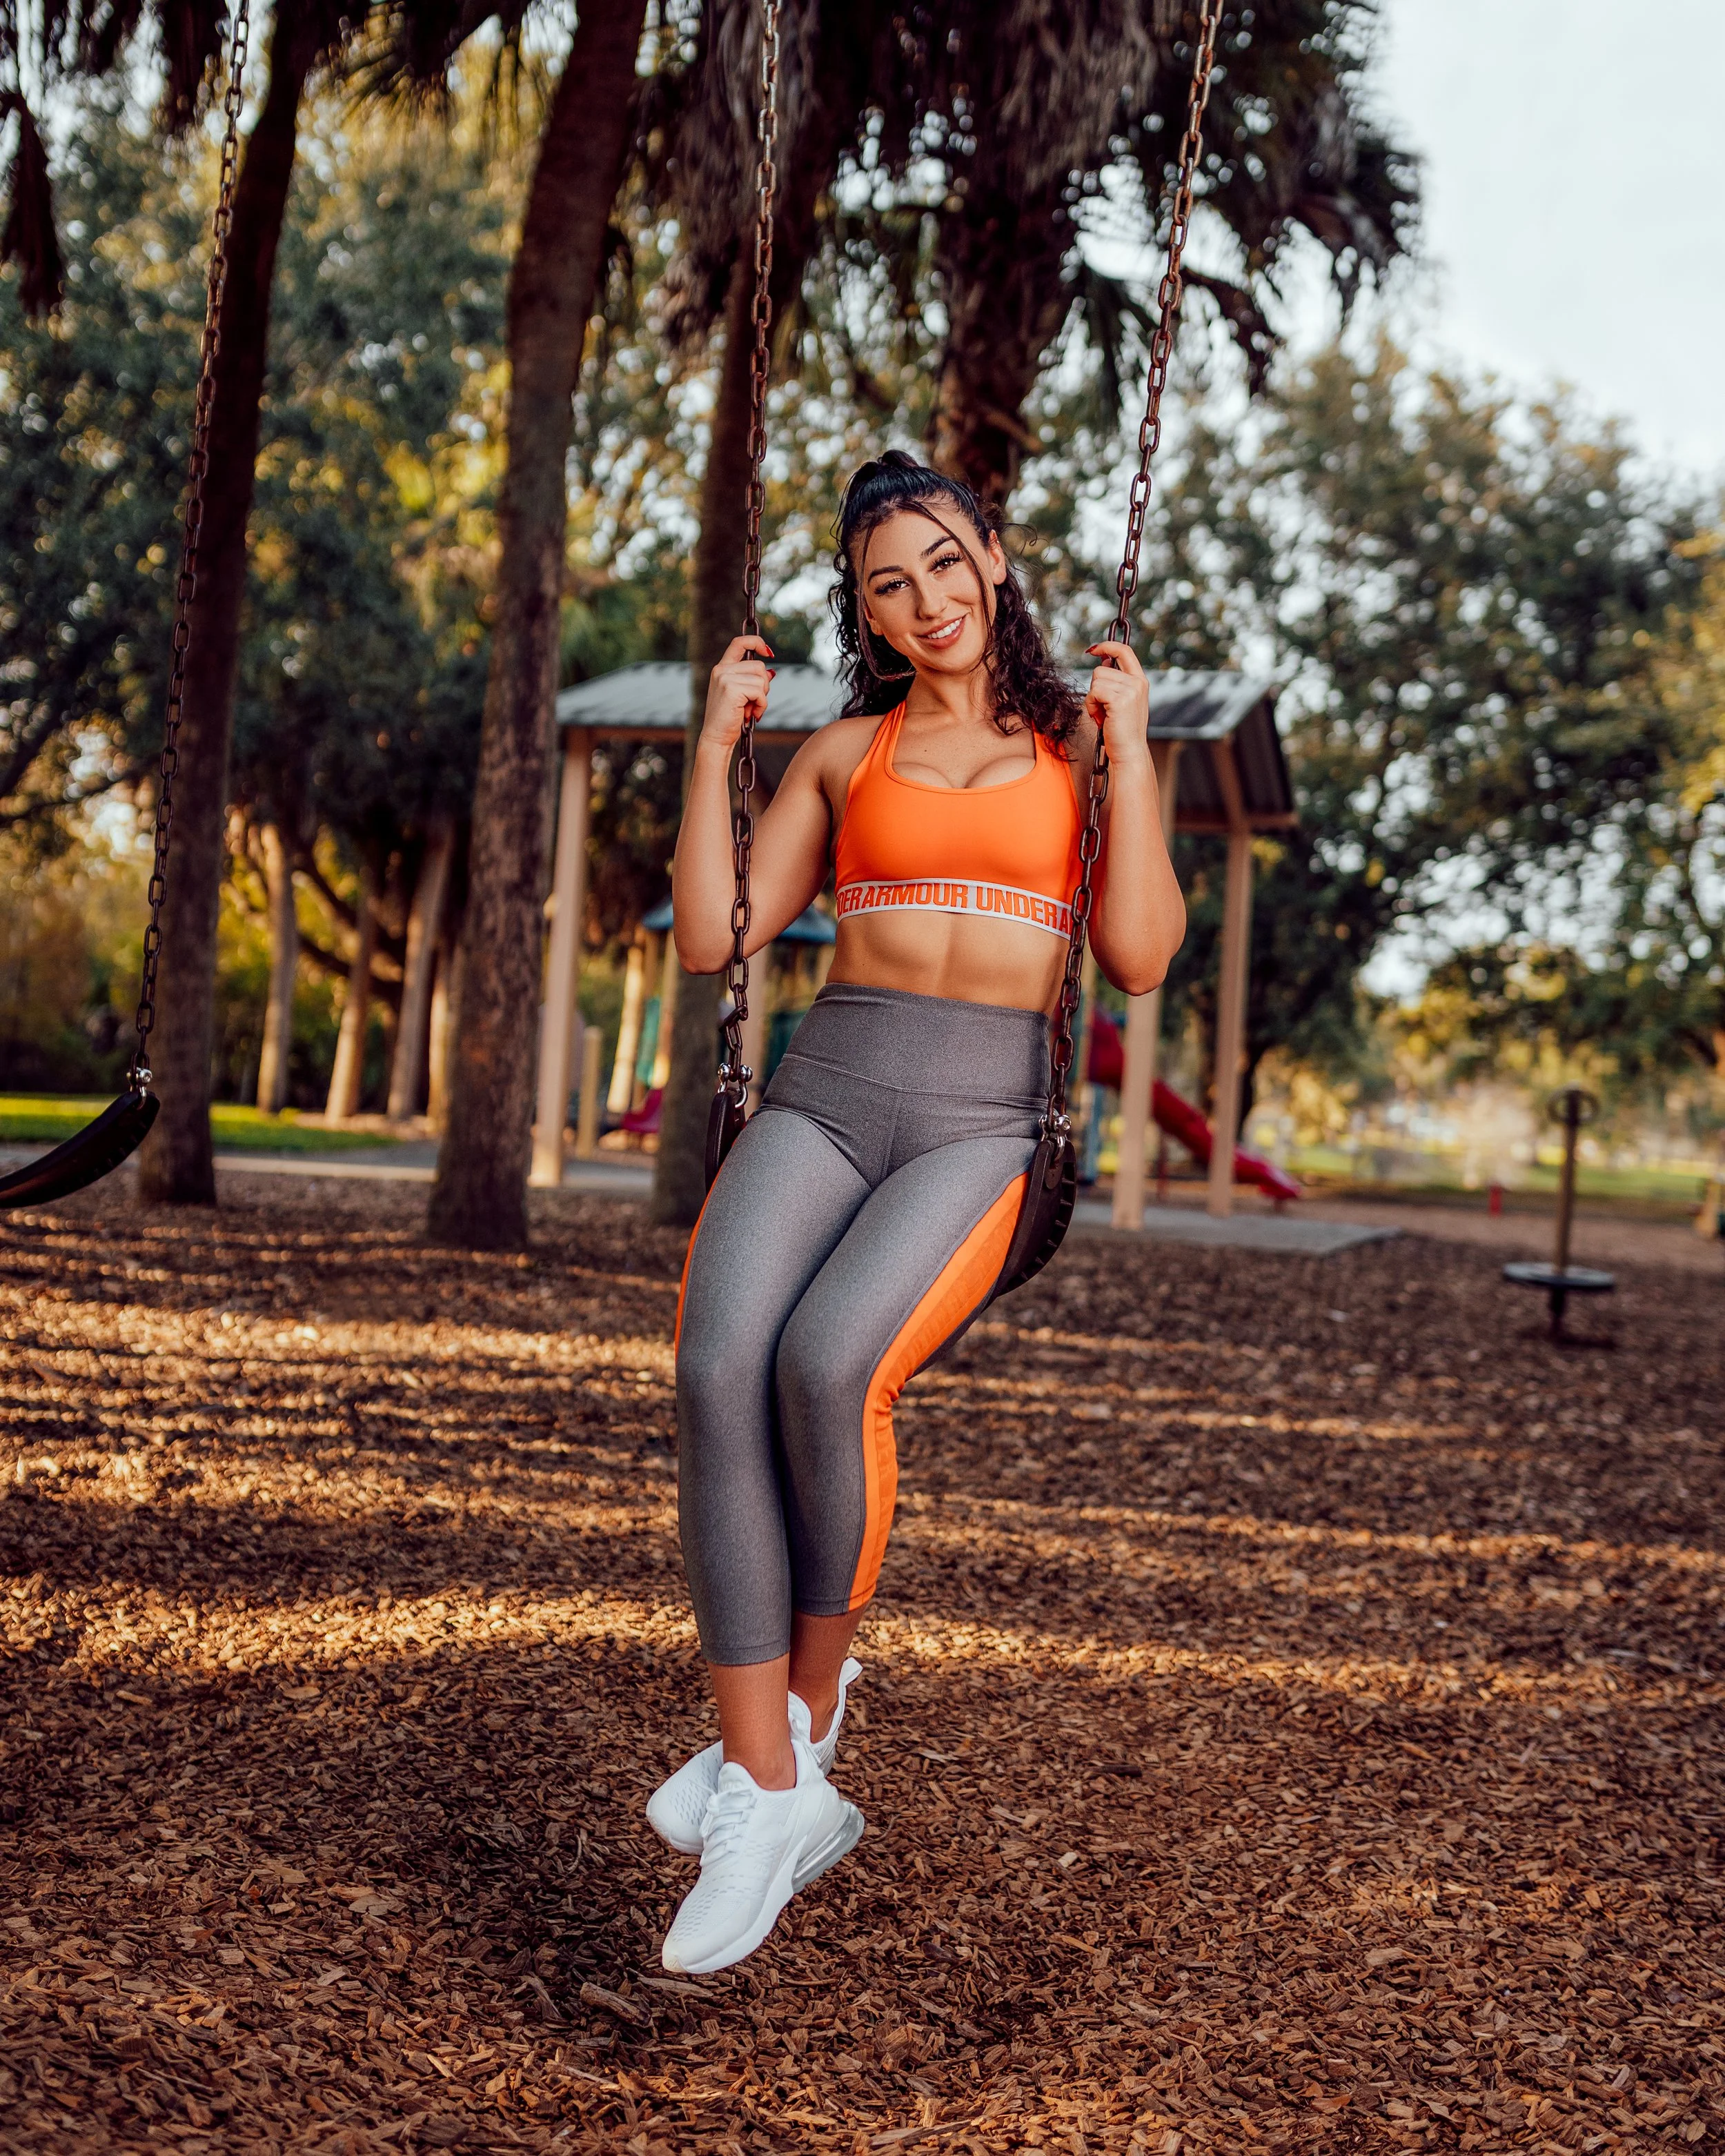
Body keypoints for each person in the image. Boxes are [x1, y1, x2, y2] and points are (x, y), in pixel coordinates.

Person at [649, 449, 1185, 1974]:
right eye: (889, 583)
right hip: (829, 1087)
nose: (925, 600)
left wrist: (1133, 753)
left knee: (827, 1365)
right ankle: (766, 1785)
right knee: (713, 1371)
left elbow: (1138, 957)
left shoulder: (1078, 745)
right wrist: (714, 749)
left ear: (993, 561)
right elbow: (713, 935)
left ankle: (798, 1744)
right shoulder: (840, 754)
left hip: (983, 1117)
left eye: (944, 564)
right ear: (868, 615)